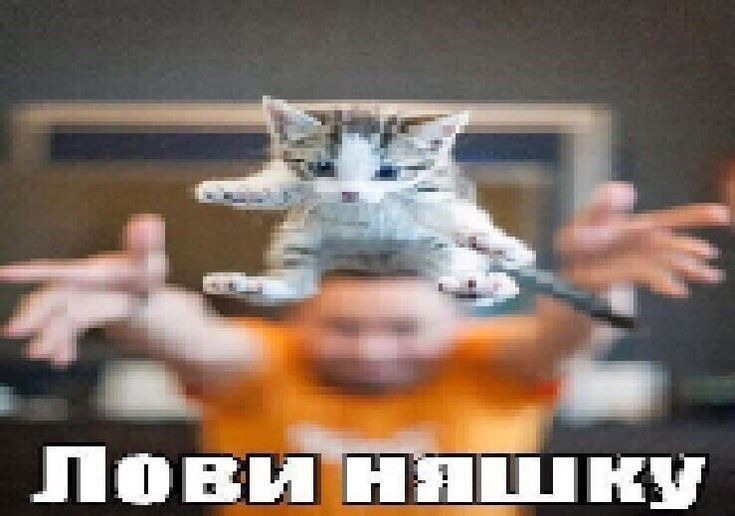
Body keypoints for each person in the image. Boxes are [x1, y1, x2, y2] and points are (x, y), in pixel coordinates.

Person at [0, 182, 729, 515]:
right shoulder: (262, 362)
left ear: (454, 318)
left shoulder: (487, 364)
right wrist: (139, 306)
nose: (373, 349)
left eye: (403, 329)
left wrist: (591, 290)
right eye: (344, 327)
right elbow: (192, 337)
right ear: (298, 317)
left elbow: (561, 343)